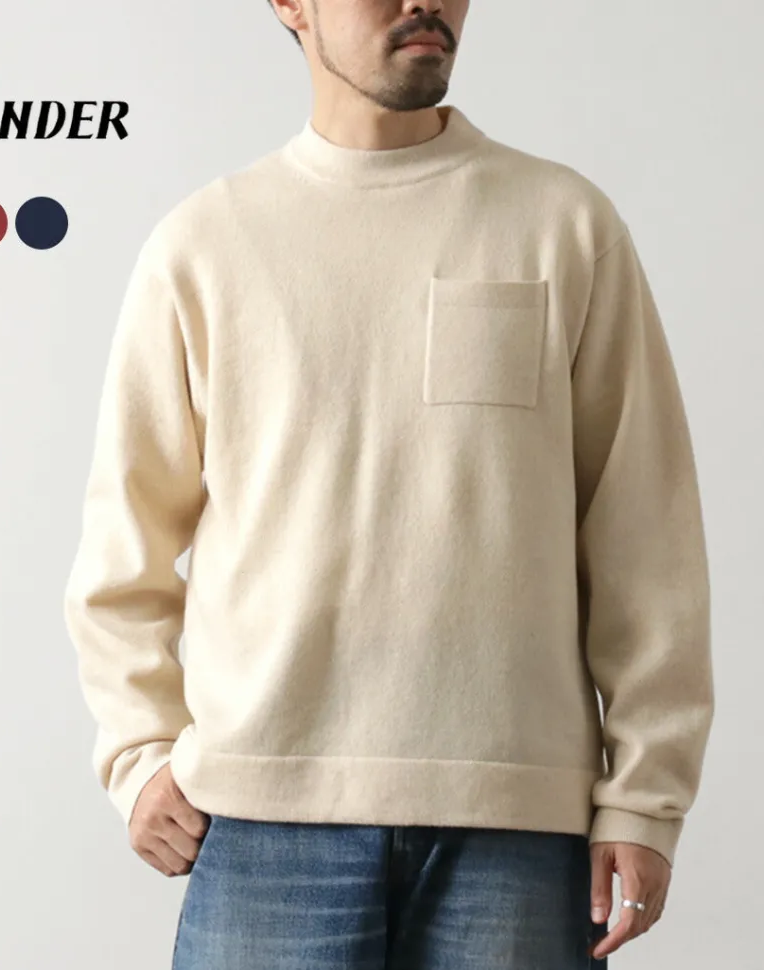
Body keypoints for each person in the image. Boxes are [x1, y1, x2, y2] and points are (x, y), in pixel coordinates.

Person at [62, 1, 715, 966]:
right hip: (260, 818)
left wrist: (645, 794)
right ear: (290, 5)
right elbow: (125, 543)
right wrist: (139, 753)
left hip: (517, 821)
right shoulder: (205, 245)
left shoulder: (565, 225)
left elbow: (643, 532)